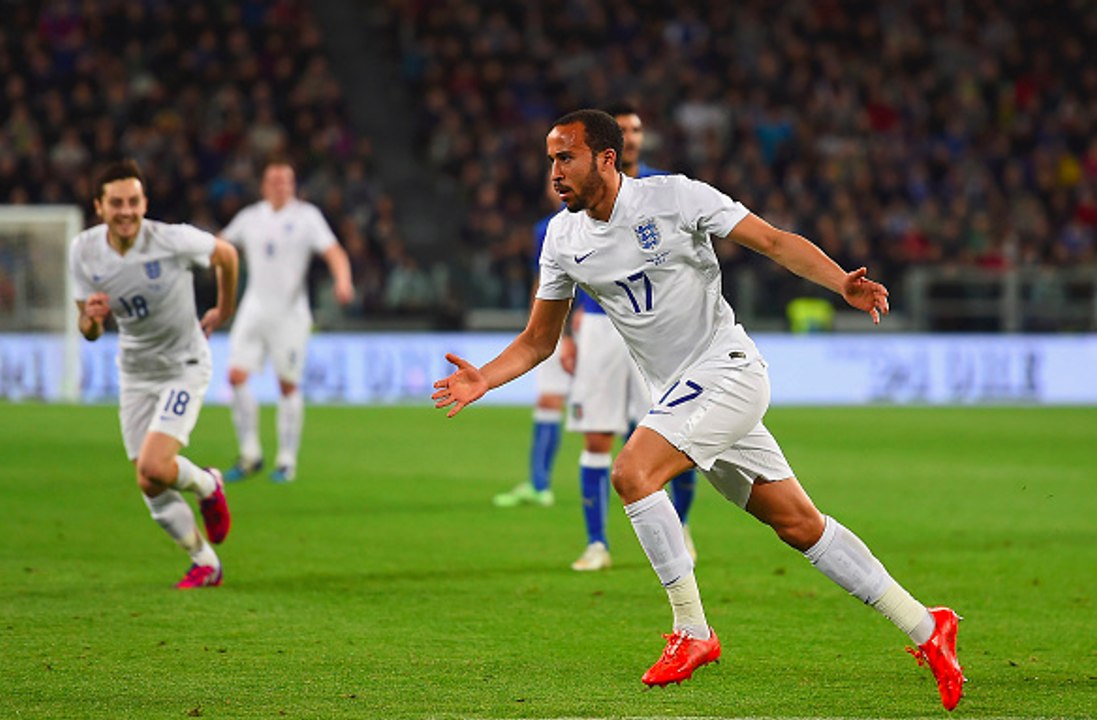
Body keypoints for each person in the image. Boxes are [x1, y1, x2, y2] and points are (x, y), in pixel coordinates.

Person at [433, 110, 964, 710]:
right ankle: (926, 624)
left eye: (566, 158)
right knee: (799, 525)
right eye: (550, 159)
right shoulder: (563, 239)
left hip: (727, 369)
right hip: (680, 394)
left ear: (607, 159)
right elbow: (538, 340)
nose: (554, 172)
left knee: (632, 472)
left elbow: (772, 240)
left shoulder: (675, 197)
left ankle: (693, 630)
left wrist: (840, 282)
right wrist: (486, 377)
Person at [70, 159, 238, 589]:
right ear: (99, 207)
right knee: (149, 480)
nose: (126, 211)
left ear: (144, 203)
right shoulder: (83, 252)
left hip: (183, 366)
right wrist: (91, 319)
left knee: (155, 464)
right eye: (116, 203)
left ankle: (207, 485)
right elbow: (87, 332)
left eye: (133, 201)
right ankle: (205, 561)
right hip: (134, 372)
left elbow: (227, 255)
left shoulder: (171, 240)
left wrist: (225, 309)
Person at [566, 103, 699, 572]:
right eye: (624, 130)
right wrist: (567, 334)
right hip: (600, 328)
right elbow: (563, 268)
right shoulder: (579, 200)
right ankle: (597, 543)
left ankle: (679, 529)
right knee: (598, 436)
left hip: (656, 331)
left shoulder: (661, 192)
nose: (632, 137)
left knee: (674, 435)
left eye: (637, 130)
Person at [220, 160, 354, 483]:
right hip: (253, 308)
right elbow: (220, 245)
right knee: (236, 376)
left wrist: (343, 280)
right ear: (264, 186)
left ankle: (286, 461)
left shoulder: (307, 217)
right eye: (274, 181)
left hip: (290, 313)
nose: (281, 186)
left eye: (286, 181)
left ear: (293, 186)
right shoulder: (250, 217)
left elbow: (334, 251)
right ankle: (250, 454)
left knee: (287, 384)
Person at [491, 179, 574, 509]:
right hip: (568, 328)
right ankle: (539, 484)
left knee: (605, 416)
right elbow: (545, 283)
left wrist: (561, 334)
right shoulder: (547, 228)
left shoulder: (557, 227)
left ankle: (540, 484)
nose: (556, 184)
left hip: (578, 329)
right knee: (550, 401)